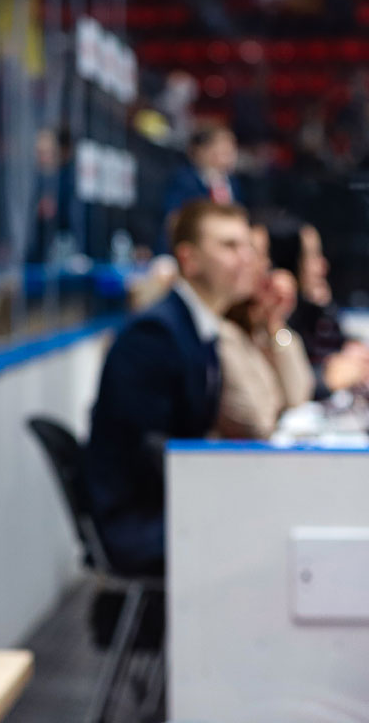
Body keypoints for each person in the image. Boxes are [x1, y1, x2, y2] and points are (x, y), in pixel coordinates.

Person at [83, 201, 255, 575]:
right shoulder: (156, 334)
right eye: (229, 246)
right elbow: (149, 456)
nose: (246, 258)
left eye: (248, 246)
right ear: (189, 260)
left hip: (170, 506)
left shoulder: (197, 327)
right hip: (140, 523)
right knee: (263, 534)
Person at [214, 223, 314, 439]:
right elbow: (258, 420)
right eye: (257, 253)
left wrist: (275, 324)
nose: (265, 265)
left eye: (262, 254)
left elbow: (298, 396)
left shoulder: (256, 325)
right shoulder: (222, 329)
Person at [265, 214, 369, 396]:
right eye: (312, 256)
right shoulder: (275, 317)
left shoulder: (312, 309)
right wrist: (328, 377)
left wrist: (325, 309)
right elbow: (300, 384)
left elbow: (336, 348)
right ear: (289, 263)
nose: (323, 266)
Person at [162, 125, 242, 223]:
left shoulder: (233, 182)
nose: (230, 156)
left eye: (231, 150)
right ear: (200, 151)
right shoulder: (184, 180)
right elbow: (173, 217)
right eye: (223, 151)